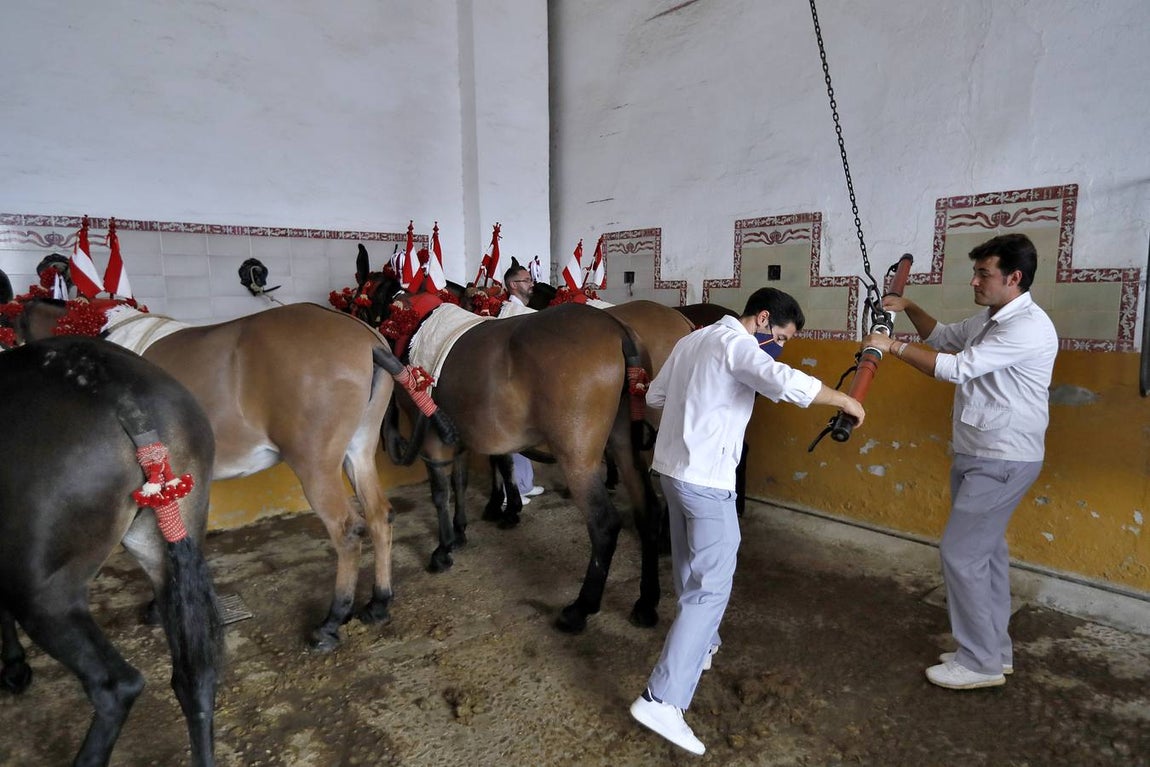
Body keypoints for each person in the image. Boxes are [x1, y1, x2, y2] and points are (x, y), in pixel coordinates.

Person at [630, 287, 866, 755]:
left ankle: (704, 644)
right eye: (779, 335)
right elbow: (779, 379)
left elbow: (655, 395)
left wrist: (695, 416)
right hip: (707, 481)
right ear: (762, 319)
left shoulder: (691, 341)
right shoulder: (736, 343)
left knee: (688, 563)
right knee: (712, 584)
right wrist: (844, 400)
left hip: (672, 472)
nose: (779, 345)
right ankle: (662, 698)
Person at [861, 232, 1058, 691]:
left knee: (962, 553)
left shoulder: (1026, 326)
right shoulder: (991, 318)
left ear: (1014, 277)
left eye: (983, 274)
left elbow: (956, 368)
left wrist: (889, 347)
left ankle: (980, 663)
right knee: (985, 555)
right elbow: (942, 337)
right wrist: (907, 308)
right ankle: (995, 652)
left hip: (1003, 457)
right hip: (978, 452)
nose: (974, 281)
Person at [499, 261, 544, 503]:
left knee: (524, 438)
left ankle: (525, 485)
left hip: (527, 384)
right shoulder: (513, 313)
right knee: (513, 438)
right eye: (527, 280)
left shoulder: (526, 312)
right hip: (514, 384)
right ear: (513, 285)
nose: (531, 284)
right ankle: (510, 492)